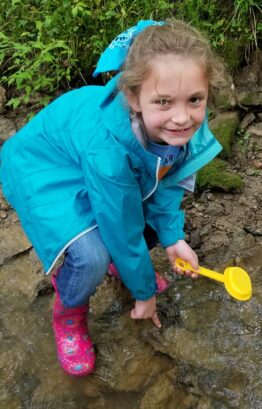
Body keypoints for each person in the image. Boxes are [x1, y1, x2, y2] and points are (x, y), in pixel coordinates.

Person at [0, 19, 226, 376]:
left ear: (204, 92)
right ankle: (69, 314)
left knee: (143, 220)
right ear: (132, 97)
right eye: (164, 102)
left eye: (195, 100)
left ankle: (123, 265)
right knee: (91, 254)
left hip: (91, 157)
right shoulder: (109, 150)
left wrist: (173, 237)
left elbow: (170, 182)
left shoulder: (184, 124)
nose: (182, 117)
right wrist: (145, 293)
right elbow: (121, 226)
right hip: (44, 164)